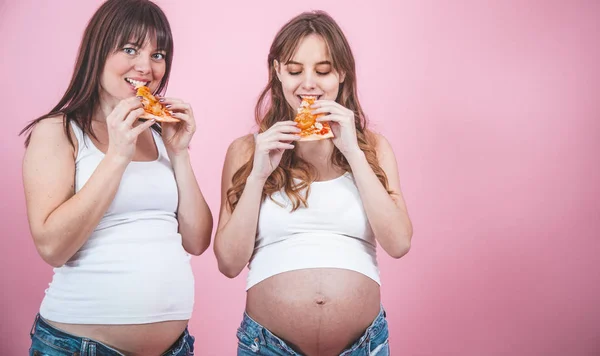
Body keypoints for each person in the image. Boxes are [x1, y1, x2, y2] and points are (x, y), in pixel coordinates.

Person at [214, 10, 413, 356]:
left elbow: (398, 243)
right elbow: (229, 263)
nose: (308, 84)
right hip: (267, 346)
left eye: (322, 71)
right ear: (277, 72)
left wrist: (352, 151)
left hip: (364, 346)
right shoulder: (247, 150)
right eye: (294, 70)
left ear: (342, 75)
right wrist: (259, 173)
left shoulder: (374, 148)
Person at [21, 0, 212, 354]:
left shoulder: (158, 134)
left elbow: (198, 241)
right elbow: (52, 247)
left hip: (175, 347)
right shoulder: (58, 131)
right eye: (130, 49)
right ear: (98, 50)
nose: (146, 67)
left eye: (158, 54)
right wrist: (117, 155)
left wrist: (180, 153)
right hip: (77, 346)